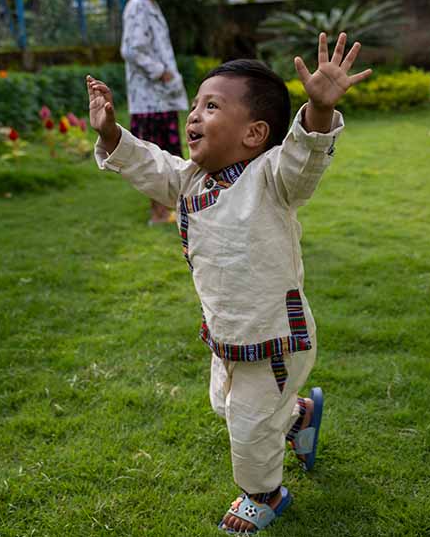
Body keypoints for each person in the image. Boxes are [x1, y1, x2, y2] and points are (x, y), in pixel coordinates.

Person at [87, 32, 371, 533]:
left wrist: (319, 114)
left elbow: (303, 162)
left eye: (211, 106)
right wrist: (112, 135)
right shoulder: (189, 181)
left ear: (255, 133)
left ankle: (263, 493)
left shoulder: (272, 180)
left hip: (274, 337)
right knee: (227, 405)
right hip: (228, 335)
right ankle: (300, 416)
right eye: (194, 105)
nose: (193, 115)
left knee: (248, 422)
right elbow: (152, 164)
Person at [120, 0, 189, 225]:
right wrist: (162, 74)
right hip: (150, 100)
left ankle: (163, 210)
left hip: (160, 99)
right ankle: (158, 213)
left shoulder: (149, 6)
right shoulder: (137, 7)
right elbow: (132, 50)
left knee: (165, 156)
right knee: (156, 159)